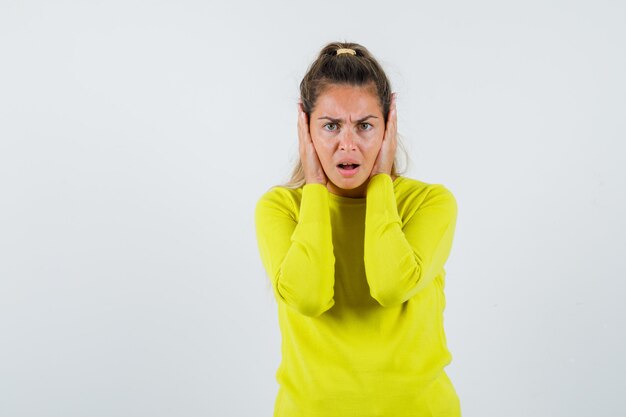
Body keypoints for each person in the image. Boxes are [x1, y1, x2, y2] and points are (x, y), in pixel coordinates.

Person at [254, 41, 461, 417]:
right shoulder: (281, 208)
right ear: (305, 129)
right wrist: (315, 188)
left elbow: (391, 285)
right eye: (330, 126)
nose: (347, 144)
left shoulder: (429, 204)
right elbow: (308, 297)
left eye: (365, 126)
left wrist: (382, 181)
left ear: (388, 128)